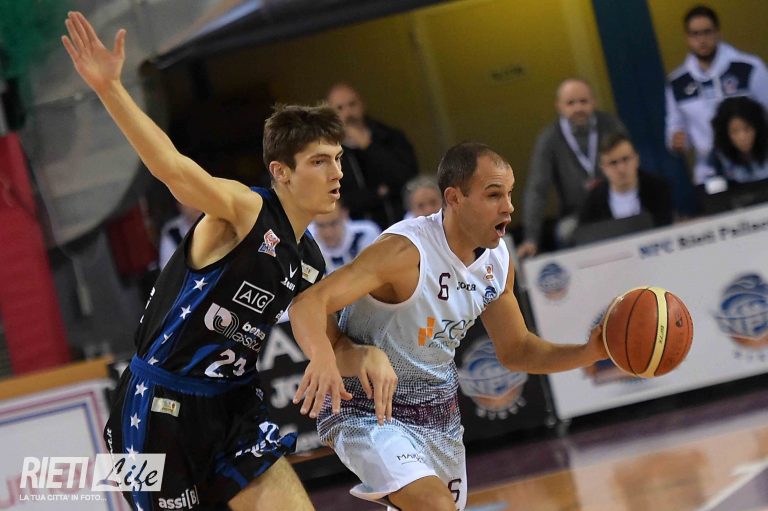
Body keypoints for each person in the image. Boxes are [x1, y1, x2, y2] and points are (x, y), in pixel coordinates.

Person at [61, 12, 395, 510]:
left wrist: (365, 356)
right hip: (160, 408)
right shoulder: (245, 210)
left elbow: (326, 341)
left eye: (338, 159)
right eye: (320, 161)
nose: (336, 173)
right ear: (282, 172)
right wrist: (110, 89)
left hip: (233, 405)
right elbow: (174, 170)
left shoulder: (308, 258)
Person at [289, 142, 608, 511]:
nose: (508, 206)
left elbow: (517, 350)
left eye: (509, 193)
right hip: (367, 408)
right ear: (455, 198)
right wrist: (325, 357)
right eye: (494, 195)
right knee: (434, 506)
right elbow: (308, 303)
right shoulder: (405, 252)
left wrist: (590, 351)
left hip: (439, 414)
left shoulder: (498, 261)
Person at [518, 78, 626, 259]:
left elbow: (631, 167)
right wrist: (531, 238)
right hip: (575, 215)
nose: (578, 108)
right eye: (570, 103)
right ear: (559, 106)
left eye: (584, 101)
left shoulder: (611, 125)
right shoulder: (549, 138)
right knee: (566, 232)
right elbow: (537, 189)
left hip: (617, 206)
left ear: (594, 102)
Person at [665, 5, 768, 186]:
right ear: (687, 38)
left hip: (758, 165)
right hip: (710, 172)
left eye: (707, 32)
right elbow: (676, 126)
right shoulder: (677, 83)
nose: (702, 40)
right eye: (695, 34)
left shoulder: (749, 68)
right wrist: (677, 139)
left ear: (718, 33)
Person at [327, 82, 419, 229]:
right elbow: (339, 199)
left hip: (401, 224)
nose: (348, 113)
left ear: (363, 104)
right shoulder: (328, 151)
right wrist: (379, 193)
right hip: (359, 233)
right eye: (340, 108)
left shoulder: (390, 137)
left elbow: (408, 179)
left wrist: (369, 147)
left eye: (352, 104)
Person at [578, 132, 674, 228]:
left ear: (637, 159)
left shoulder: (658, 190)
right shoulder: (593, 204)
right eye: (613, 163)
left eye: (626, 159)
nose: (621, 169)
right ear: (603, 168)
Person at [708, 96, 768, 184]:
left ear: (758, 128)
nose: (742, 137)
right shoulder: (717, 157)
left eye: (747, 129)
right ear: (724, 134)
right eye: (734, 131)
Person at [309, 200, 381, 273]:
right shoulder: (305, 240)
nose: (328, 233)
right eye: (321, 226)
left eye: (333, 223)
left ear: (344, 215)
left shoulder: (366, 234)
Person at [157, 201, 200, 269]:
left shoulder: (217, 221)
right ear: (179, 205)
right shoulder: (173, 232)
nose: (196, 204)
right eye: (188, 199)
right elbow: (168, 270)